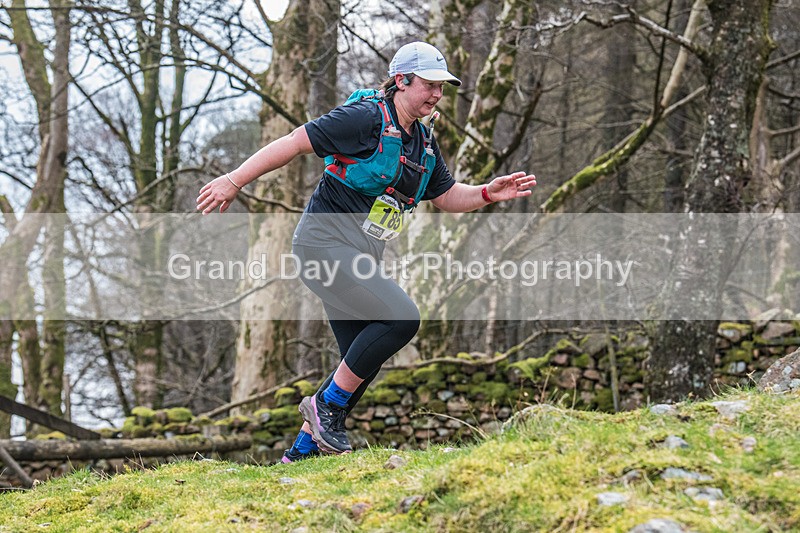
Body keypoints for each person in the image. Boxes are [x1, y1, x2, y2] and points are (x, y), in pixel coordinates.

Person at [196, 41, 536, 463]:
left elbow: (446, 195)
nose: (436, 94)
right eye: (429, 85)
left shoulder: (422, 143)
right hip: (322, 247)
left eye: (441, 87)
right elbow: (295, 141)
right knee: (402, 318)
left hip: (358, 257)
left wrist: (487, 192)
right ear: (401, 81)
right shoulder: (365, 117)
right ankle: (323, 407)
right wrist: (233, 180)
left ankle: (299, 455)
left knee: (361, 360)